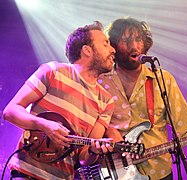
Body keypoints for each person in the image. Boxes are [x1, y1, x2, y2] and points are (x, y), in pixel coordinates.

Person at [98, 17, 187, 179]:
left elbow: (186, 127)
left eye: (138, 39)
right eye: (126, 40)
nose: (134, 45)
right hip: (115, 172)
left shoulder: (162, 79)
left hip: (159, 172)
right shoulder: (100, 81)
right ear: (113, 46)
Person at [3, 21, 116, 179]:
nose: (113, 50)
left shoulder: (107, 101)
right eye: (105, 44)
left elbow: (83, 157)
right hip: (26, 174)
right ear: (87, 50)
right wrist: (45, 125)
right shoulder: (53, 71)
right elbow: (10, 111)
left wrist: (93, 151)